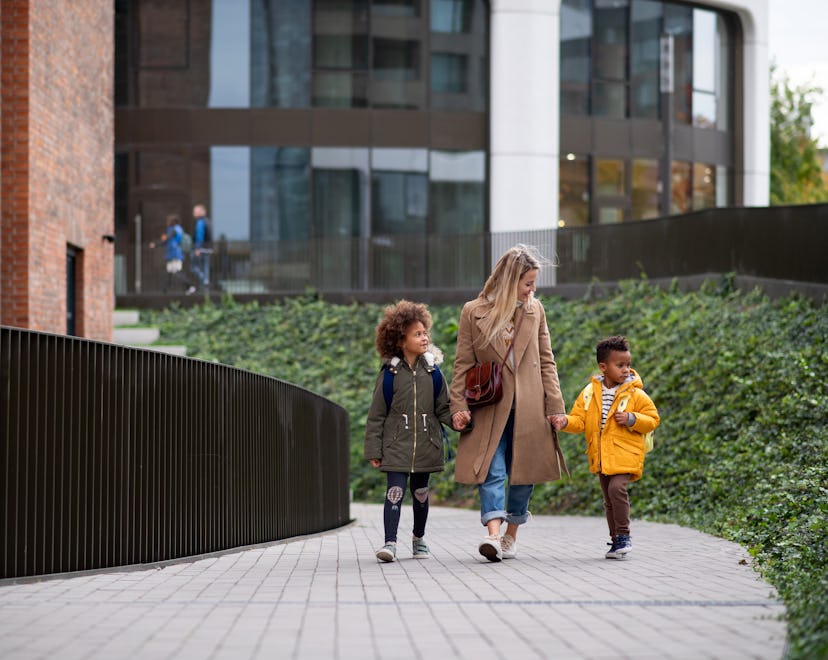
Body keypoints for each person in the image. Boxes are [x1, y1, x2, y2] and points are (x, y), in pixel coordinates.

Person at [450, 245, 568, 562]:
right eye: (527, 282)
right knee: (491, 468)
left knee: (522, 473)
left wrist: (555, 407)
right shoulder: (473, 311)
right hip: (490, 404)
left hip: (530, 406)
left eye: (533, 283)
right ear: (508, 281)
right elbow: (462, 363)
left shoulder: (535, 310)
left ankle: (510, 536)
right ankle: (492, 536)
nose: (532, 289)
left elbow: (547, 362)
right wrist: (457, 405)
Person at [551, 335, 660, 559]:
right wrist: (564, 422)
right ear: (603, 367)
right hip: (601, 456)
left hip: (626, 454)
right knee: (609, 500)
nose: (626, 370)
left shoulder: (635, 393)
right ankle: (615, 540)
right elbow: (579, 420)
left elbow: (652, 419)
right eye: (620, 365)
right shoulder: (590, 393)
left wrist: (631, 418)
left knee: (616, 489)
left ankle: (624, 536)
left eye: (628, 365)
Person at [364, 300, 454, 563]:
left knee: (421, 494)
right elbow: (377, 414)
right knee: (394, 492)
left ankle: (418, 538)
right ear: (400, 340)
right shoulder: (390, 374)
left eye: (425, 332)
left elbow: (444, 408)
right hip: (395, 445)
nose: (424, 337)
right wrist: (374, 449)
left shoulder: (433, 372)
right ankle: (390, 543)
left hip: (426, 444)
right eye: (417, 334)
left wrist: (460, 420)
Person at [149, 213, 194, 294]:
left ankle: (190, 286)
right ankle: (165, 290)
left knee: (177, 271)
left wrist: (155, 244)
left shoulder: (173, 230)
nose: (167, 222)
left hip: (174, 253)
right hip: (172, 253)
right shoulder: (178, 229)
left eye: (168, 220)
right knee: (169, 272)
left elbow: (166, 239)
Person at [190, 203, 213, 290]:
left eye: (195, 211)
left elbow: (199, 236)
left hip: (201, 249)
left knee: (194, 267)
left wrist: (197, 248)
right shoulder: (208, 221)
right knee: (205, 267)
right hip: (208, 248)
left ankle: (205, 280)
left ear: (201, 212)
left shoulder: (200, 222)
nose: (193, 213)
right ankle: (205, 282)